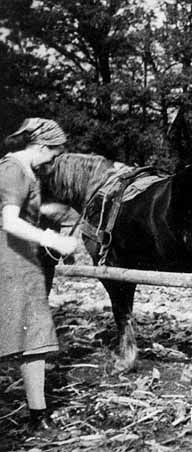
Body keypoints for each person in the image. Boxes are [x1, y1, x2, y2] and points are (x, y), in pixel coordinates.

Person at [0, 118, 79, 435]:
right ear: (42, 147)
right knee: (32, 332)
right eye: (54, 154)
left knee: (34, 337)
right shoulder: (14, 170)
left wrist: (50, 215)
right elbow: (9, 221)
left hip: (23, 263)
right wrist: (54, 240)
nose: (54, 160)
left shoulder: (22, 170)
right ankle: (37, 414)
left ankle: (38, 413)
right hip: (10, 262)